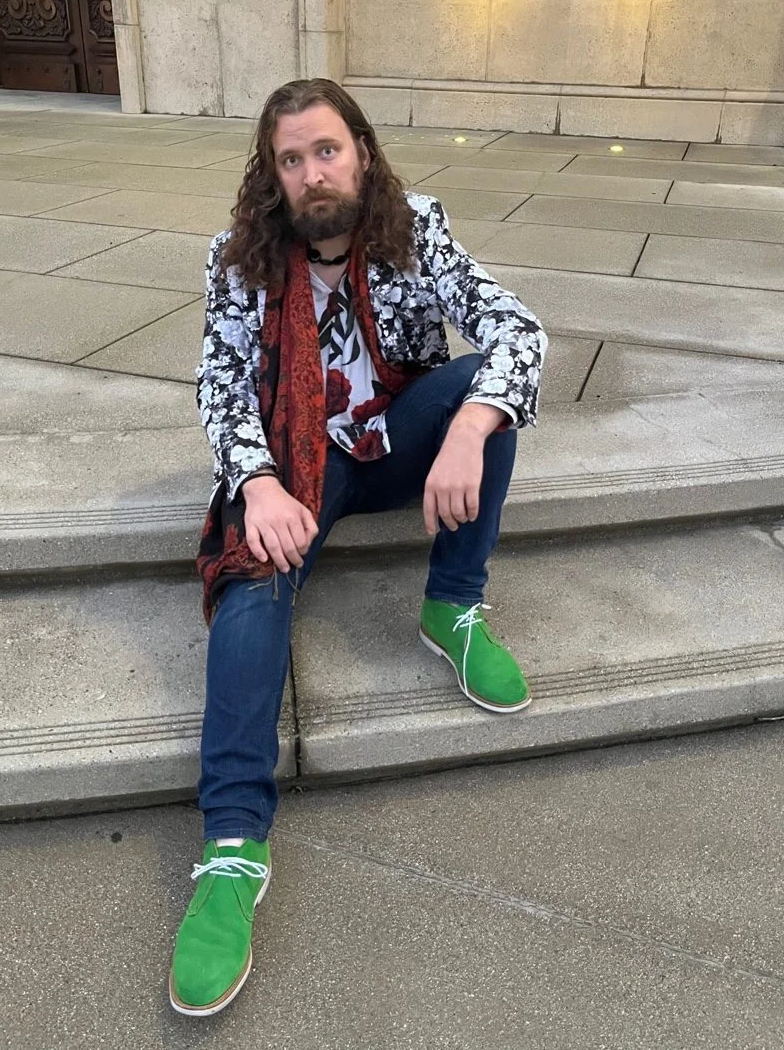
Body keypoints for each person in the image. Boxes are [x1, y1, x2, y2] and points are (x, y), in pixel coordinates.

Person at [169, 79, 547, 1016]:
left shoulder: (414, 228)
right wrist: (255, 483)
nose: (311, 174)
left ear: (362, 152)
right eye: (290, 160)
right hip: (294, 452)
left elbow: (518, 331)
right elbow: (219, 388)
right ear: (273, 175)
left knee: (479, 388)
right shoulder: (236, 259)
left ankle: (451, 604)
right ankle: (231, 848)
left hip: (396, 434)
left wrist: (466, 429)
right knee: (252, 582)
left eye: (325, 150)